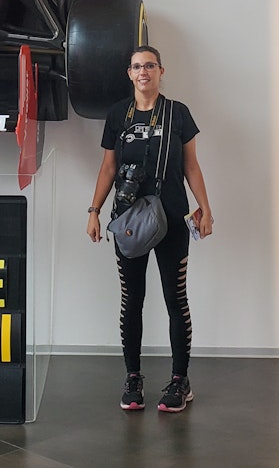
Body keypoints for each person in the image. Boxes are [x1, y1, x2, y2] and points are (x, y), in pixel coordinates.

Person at [86, 45, 214, 413]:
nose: (144, 72)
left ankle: (179, 380)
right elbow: (108, 168)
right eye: (137, 66)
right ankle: (133, 378)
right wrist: (94, 210)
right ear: (129, 73)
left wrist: (205, 208)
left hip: (172, 218)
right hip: (128, 223)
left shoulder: (178, 113)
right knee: (133, 301)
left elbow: (192, 166)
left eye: (150, 66)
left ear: (161, 71)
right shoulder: (117, 116)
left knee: (176, 300)